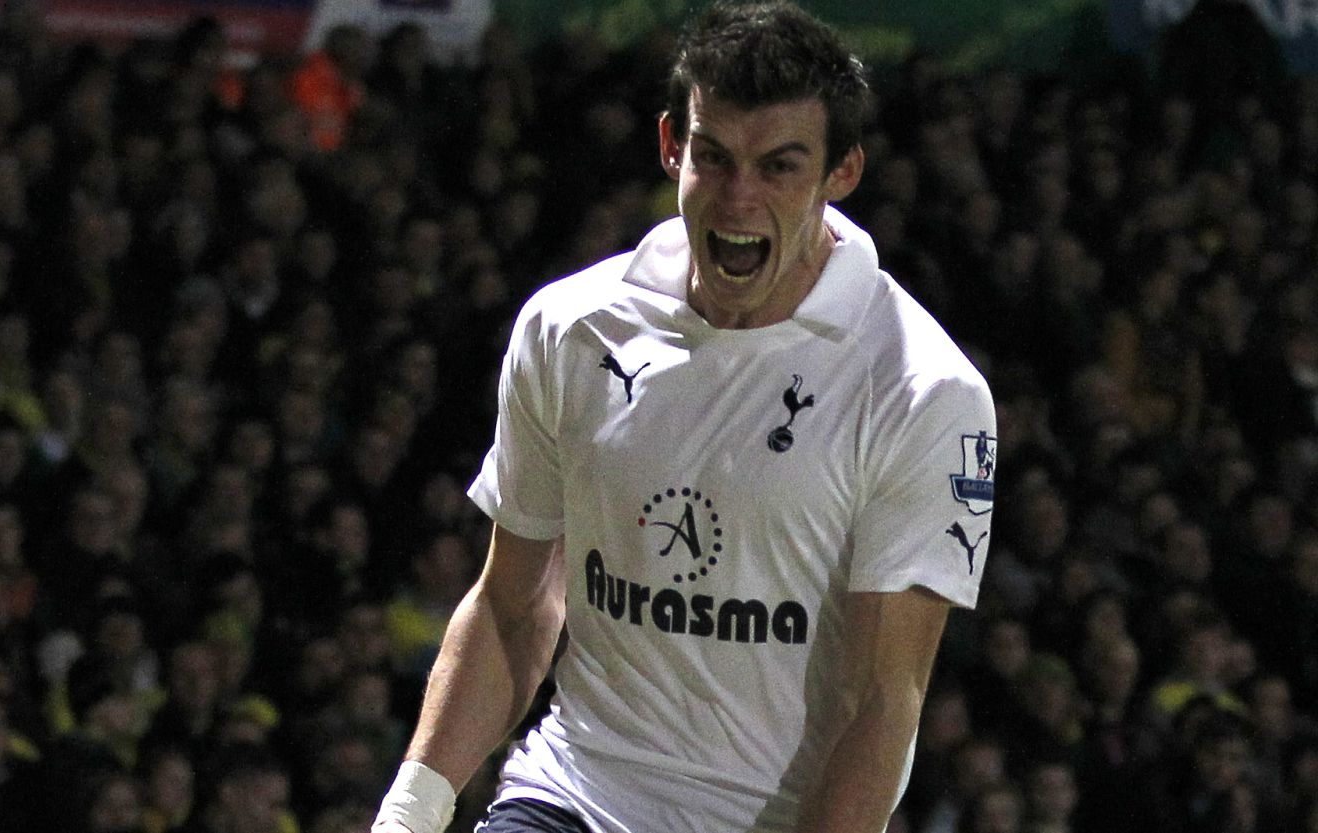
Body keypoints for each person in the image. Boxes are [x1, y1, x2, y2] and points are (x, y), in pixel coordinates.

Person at [370, 2, 996, 832]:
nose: (737, 201)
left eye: (778, 167)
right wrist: (409, 812)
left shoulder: (923, 390)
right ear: (672, 146)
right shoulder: (570, 329)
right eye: (714, 158)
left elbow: (881, 704)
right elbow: (514, 607)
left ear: (841, 172)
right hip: (572, 794)